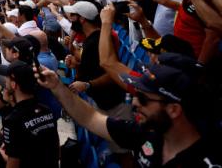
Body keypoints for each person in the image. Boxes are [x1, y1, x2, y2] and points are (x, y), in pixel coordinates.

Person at [35, 59, 222, 167]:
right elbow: (91, 117)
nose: (134, 103)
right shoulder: (148, 133)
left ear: (174, 109)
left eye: (143, 98)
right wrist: (57, 87)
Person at [0, 61, 59, 168]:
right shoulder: (46, 110)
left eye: (7, 78)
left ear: (13, 84)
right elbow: (56, 148)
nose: (5, 81)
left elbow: (13, 163)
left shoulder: (12, 120)